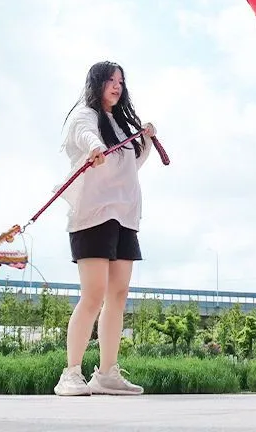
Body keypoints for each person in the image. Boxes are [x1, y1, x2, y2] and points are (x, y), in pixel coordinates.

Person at [53, 61, 157, 397]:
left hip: (125, 216)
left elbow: (130, 166)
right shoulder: (85, 114)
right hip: (93, 214)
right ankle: (70, 373)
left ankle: (107, 372)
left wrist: (147, 141)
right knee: (94, 294)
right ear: (97, 83)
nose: (117, 86)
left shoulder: (121, 123)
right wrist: (94, 148)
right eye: (111, 80)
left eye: (121, 81)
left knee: (118, 294)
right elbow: (85, 136)